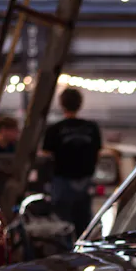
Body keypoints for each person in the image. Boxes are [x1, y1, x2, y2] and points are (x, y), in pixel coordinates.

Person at [42, 88, 102, 243]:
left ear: (62, 105)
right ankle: (84, 256)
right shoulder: (91, 128)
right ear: (80, 104)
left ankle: (65, 260)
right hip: (85, 182)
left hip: (62, 181)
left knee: (62, 227)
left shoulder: (55, 129)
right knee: (84, 225)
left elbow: (45, 156)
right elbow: (98, 152)